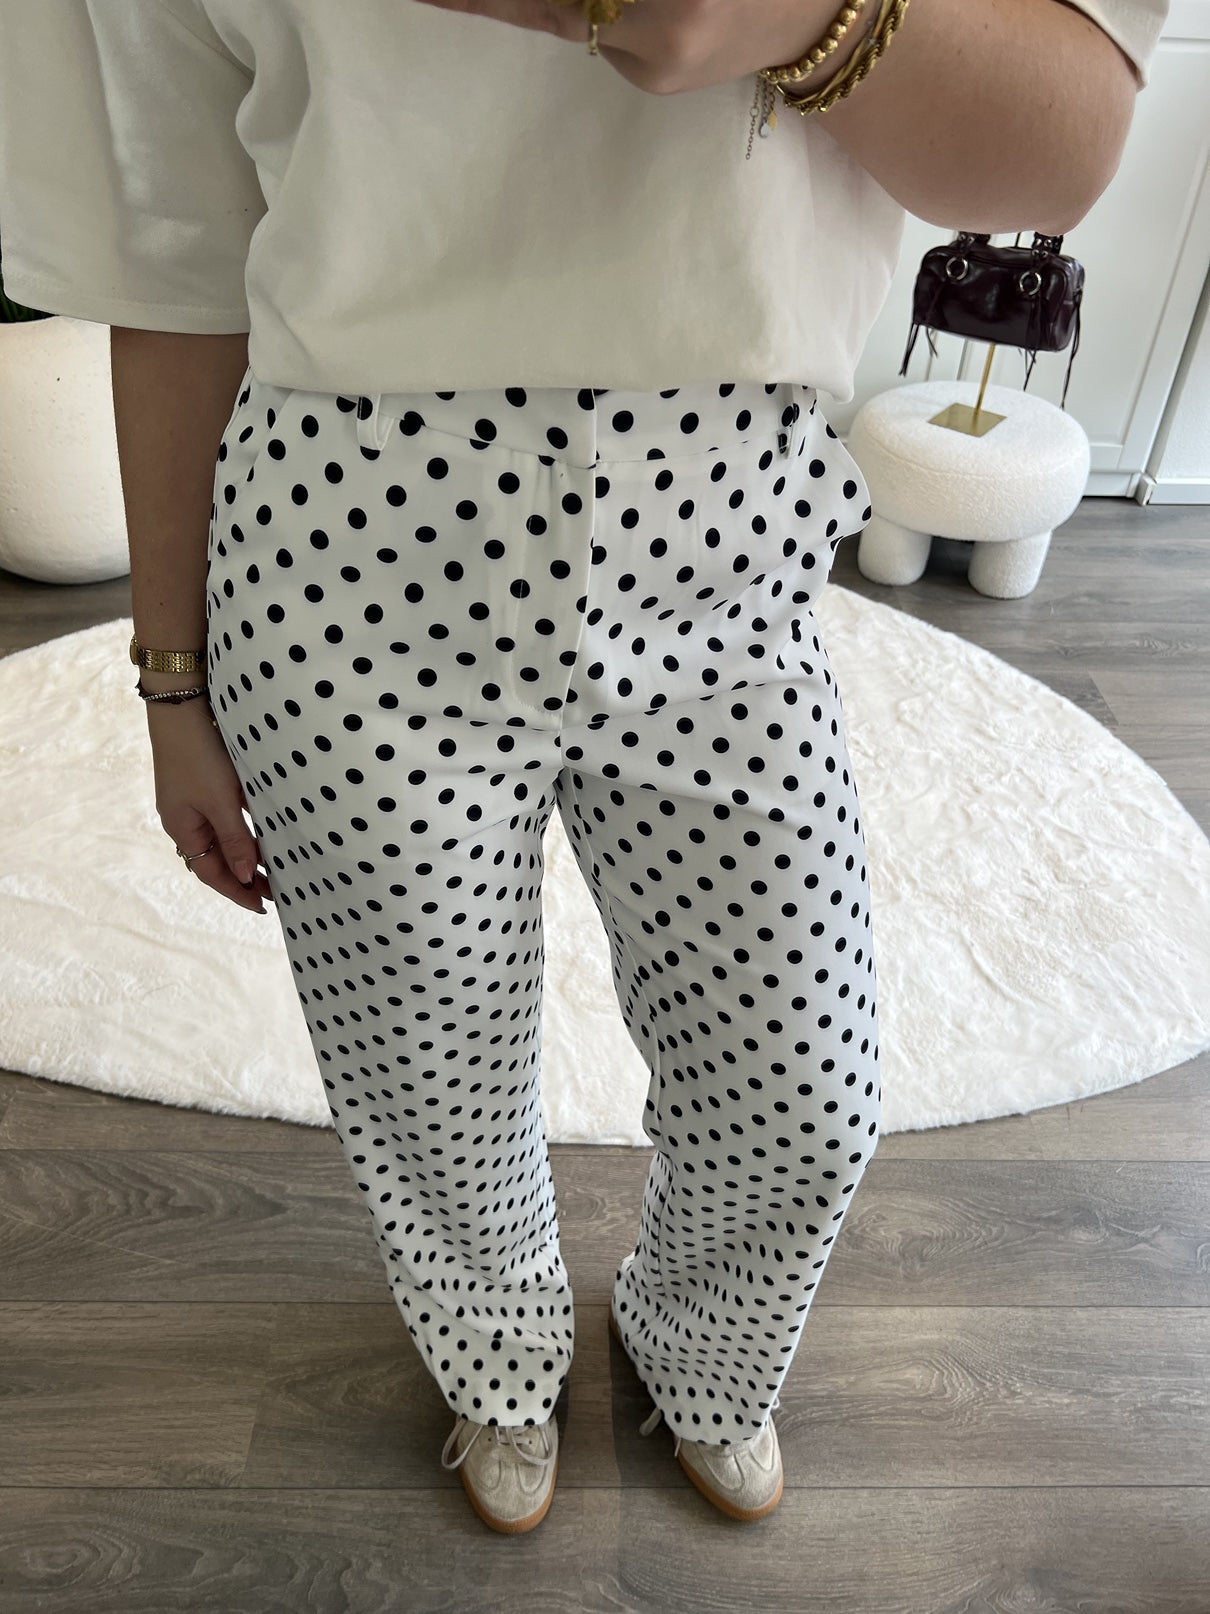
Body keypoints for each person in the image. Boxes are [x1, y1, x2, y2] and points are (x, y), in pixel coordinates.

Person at [0, 0, 1166, 1535]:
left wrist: (790, 14)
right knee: (424, 1066)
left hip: (729, 534)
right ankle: (493, 1358)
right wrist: (170, 681)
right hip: (344, 549)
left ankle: (707, 1347)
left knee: (802, 1088)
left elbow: (1057, 150)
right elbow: (172, 266)